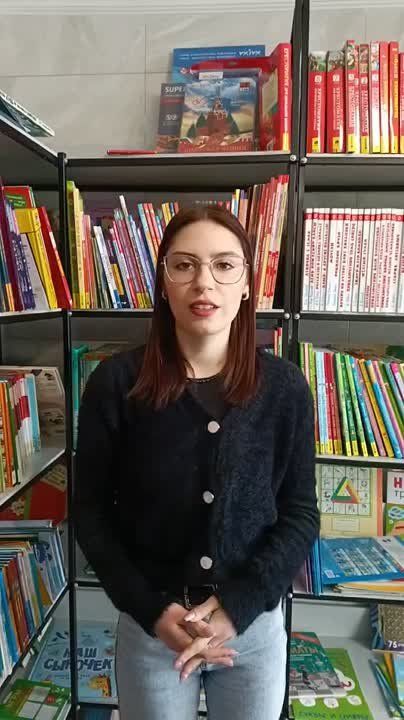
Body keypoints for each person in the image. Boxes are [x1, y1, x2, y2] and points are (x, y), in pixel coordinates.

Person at [75, 206, 319, 720]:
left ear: (247, 284)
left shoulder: (286, 389)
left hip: (250, 629)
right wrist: (151, 609)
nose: (203, 282)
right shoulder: (115, 384)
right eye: (184, 265)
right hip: (152, 630)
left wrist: (238, 607)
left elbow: (300, 513)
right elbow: (90, 513)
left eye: (224, 265)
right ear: (163, 284)